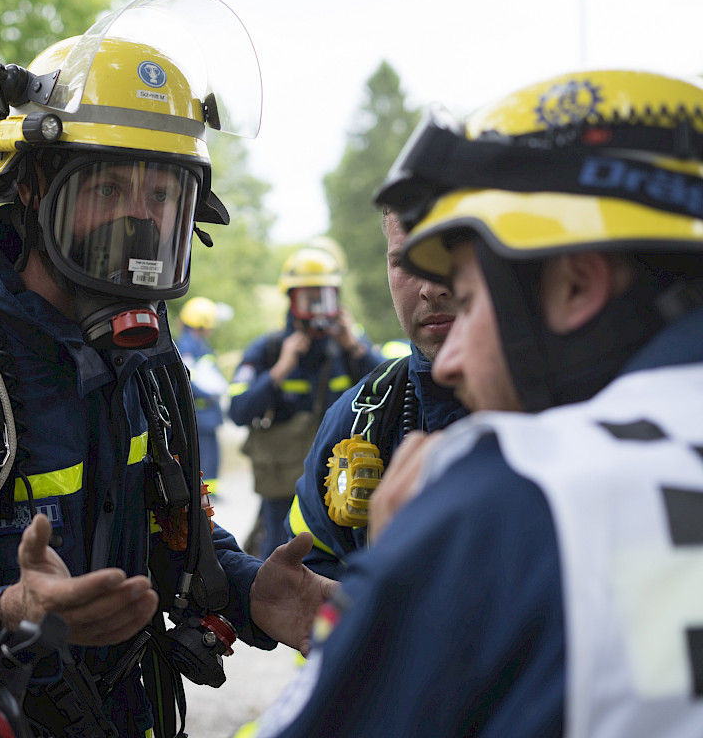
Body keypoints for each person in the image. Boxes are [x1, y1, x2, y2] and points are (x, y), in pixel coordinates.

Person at [0, 0, 335, 738]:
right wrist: (11, 615)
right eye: (110, 185)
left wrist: (253, 590)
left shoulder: (139, 364)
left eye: (163, 192)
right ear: (32, 184)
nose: (143, 217)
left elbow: (168, 532)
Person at [252, 69, 703, 737]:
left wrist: (399, 578)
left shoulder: (508, 496)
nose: (452, 357)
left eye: (466, 297)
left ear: (577, 286)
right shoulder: (369, 414)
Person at [287, 209, 467, 578]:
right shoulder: (356, 415)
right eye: (406, 261)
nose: (431, 288)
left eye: (449, 255)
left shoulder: (579, 408)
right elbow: (310, 570)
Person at [229, 247, 382, 560]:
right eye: (307, 298)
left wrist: (354, 348)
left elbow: (389, 390)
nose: (316, 308)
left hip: (344, 483)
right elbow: (238, 410)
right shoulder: (268, 349)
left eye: (323, 297)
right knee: (281, 560)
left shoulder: (351, 346)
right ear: (291, 299)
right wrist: (279, 370)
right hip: (283, 490)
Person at [176, 296, 229, 498]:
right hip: (200, 410)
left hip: (207, 411)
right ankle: (205, 493)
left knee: (211, 453)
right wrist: (210, 393)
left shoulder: (197, 343)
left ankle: (210, 492)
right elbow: (189, 378)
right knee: (205, 453)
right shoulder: (188, 345)